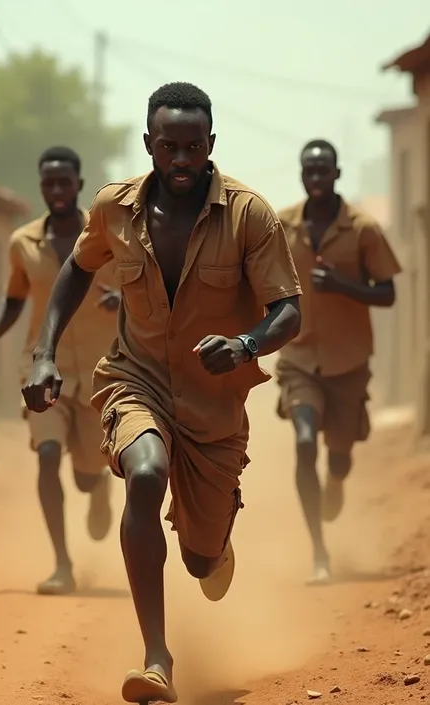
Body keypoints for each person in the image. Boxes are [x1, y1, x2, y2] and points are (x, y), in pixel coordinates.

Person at [22, 82, 302, 703]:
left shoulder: (250, 214)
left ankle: (212, 533)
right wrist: (44, 352)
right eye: (169, 146)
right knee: (144, 472)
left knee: (202, 563)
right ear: (149, 144)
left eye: (193, 147)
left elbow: (288, 310)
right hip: (135, 375)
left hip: (213, 400)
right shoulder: (115, 209)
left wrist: (248, 344)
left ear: (210, 146)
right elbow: (75, 268)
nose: (181, 160)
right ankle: (157, 658)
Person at [0, 146, 121, 596]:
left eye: (64, 182)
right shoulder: (22, 242)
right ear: (41, 186)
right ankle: (62, 564)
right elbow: (14, 299)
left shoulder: (106, 239)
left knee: (87, 474)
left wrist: (124, 302)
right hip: (42, 368)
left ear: (78, 183)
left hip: (99, 371)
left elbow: (143, 287)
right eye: (48, 182)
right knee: (49, 454)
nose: (56, 190)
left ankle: (99, 490)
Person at [276, 139, 402, 586]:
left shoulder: (363, 228)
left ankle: (337, 480)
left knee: (340, 456)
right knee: (305, 440)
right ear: (302, 175)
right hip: (299, 358)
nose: (316, 178)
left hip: (349, 361)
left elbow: (387, 293)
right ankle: (319, 552)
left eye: (323, 171)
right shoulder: (282, 228)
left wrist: (345, 285)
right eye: (309, 171)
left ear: (336, 174)